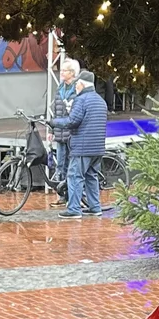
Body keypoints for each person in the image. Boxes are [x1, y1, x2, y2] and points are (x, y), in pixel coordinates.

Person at [61, 67, 109, 216]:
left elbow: (72, 121)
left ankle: (74, 209)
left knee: (75, 176)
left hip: (83, 147)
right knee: (91, 176)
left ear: (82, 84)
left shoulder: (81, 100)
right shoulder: (101, 101)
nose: (75, 86)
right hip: (98, 148)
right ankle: (95, 208)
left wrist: (53, 122)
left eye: (77, 84)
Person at [50, 55, 80, 197]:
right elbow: (56, 110)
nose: (61, 73)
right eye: (61, 70)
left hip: (72, 133)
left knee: (71, 165)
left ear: (72, 73)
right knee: (60, 165)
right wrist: (51, 130)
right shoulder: (60, 88)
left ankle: (72, 195)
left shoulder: (77, 89)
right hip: (60, 132)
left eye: (64, 70)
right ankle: (62, 195)